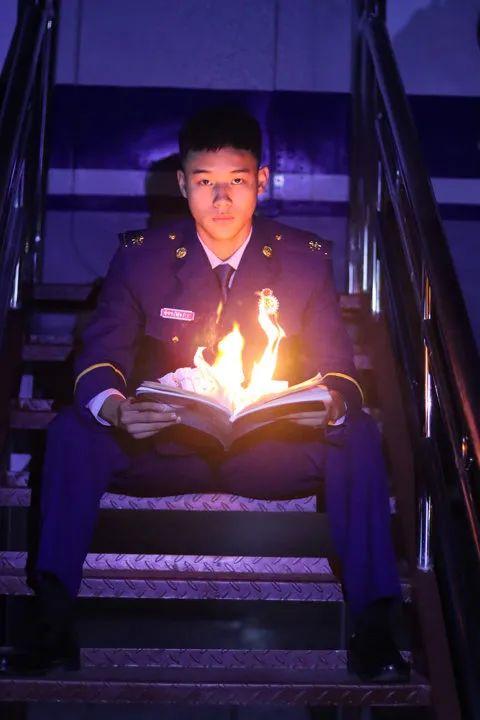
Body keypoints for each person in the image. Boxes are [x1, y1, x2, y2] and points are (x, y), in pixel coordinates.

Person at [0, 106, 409, 682]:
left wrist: (332, 403)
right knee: (72, 429)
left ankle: (376, 627)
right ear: (182, 184)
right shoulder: (142, 256)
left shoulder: (303, 260)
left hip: (268, 451)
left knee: (358, 433)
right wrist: (117, 409)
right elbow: (98, 356)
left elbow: (338, 367)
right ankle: (52, 623)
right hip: (168, 448)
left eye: (236, 180)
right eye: (204, 182)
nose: (221, 199)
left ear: (261, 181)